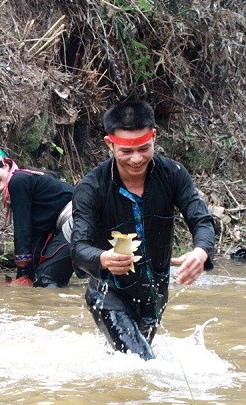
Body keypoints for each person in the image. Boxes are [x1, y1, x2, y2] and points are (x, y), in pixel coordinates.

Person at [71, 101, 215, 360]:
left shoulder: (173, 174)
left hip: (155, 292)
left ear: (154, 138)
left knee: (130, 366)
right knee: (144, 363)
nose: (136, 159)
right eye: (126, 151)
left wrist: (201, 251)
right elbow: (78, 249)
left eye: (144, 148)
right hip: (109, 293)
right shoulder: (91, 187)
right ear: (109, 144)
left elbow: (201, 220)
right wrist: (104, 258)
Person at [0, 149, 74, 288]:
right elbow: (37, 232)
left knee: (46, 280)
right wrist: (26, 274)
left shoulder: (18, 181)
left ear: (6, 166)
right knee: (38, 278)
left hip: (78, 220)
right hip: (67, 224)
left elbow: (23, 227)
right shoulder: (24, 179)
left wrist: (22, 267)